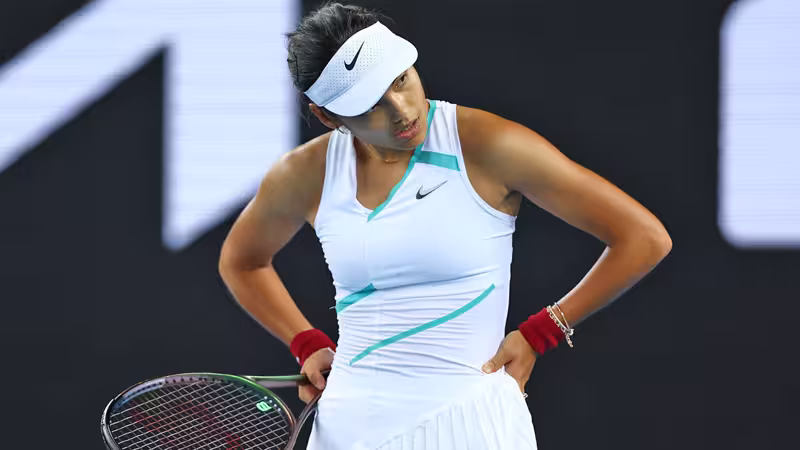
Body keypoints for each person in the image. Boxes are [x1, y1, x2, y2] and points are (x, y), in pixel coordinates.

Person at [218, 2, 672, 449]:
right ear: (326, 115)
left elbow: (644, 238)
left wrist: (544, 331)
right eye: (371, 104)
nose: (402, 110)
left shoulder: (488, 145)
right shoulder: (305, 173)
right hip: (347, 427)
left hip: (473, 424)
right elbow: (243, 262)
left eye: (401, 79)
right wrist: (305, 342)